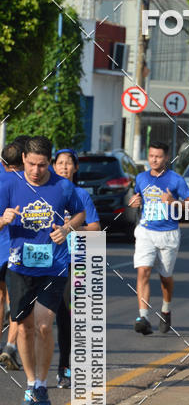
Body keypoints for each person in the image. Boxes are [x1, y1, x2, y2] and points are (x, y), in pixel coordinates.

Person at [0, 136, 85, 405]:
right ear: (23, 158)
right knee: (23, 327)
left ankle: (42, 385)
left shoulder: (62, 186)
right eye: (32, 164)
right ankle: (30, 381)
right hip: (20, 266)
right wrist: (3, 220)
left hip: (54, 266)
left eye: (42, 165)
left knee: (44, 325)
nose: (36, 170)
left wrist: (68, 228)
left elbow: (80, 213)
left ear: (49, 162)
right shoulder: (9, 184)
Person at [128, 140, 189, 336]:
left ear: (166, 158)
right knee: (143, 272)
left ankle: (166, 309)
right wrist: (134, 202)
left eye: (158, 157)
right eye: (151, 156)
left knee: (165, 277)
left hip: (168, 233)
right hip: (146, 231)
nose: (154, 160)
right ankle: (143, 317)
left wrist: (174, 202)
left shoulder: (176, 180)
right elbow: (136, 198)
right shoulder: (141, 178)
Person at [53, 149, 101, 389]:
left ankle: (66, 367)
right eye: (60, 163)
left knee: (68, 317)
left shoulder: (81, 195)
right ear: (53, 166)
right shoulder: (46, 193)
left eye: (68, 163)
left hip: (75, 260)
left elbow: (95, 228)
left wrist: (73, 229)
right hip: (47, 262)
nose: (63, 167)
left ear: (75, 168)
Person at [0, 142, 25, 370]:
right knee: (17, 301)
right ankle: (10, 347)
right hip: (17, 250)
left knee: (0, 297)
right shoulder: (29, 182)